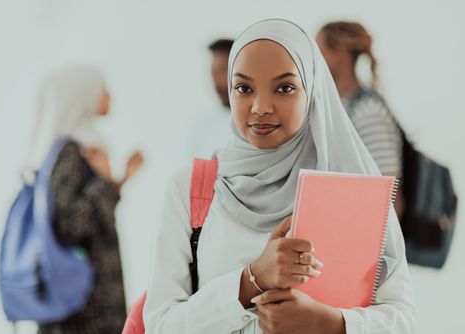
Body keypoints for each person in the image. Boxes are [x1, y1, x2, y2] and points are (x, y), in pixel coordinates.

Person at [143, 19, 415, 333]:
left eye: (284, 88)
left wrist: (331, 323)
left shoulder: (351, 188)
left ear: (311, 90)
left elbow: (404, 319)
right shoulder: (191, 187)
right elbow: (160, 324)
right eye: (244, 88)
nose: (260, 107)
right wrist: (250, 282)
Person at [27, 65, 144, 334]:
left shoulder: (84, 145)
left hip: (90, 299)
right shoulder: (73, 151)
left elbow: (91, 212)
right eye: (103, 90)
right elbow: (70, 225)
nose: (110, 97)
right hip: (83, 307)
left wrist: (118, 181)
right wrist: (105, 182)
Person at [316, 22, 402, 180]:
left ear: (339, 52)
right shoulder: (340, 107)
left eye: (319, 50)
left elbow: (387, 187)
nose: (314, 59)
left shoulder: (368, 111)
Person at [186, 39, 234, 159]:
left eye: (223, 71)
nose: (217, 82)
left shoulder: (262, 122)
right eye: (213, 73)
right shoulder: (202, 127)